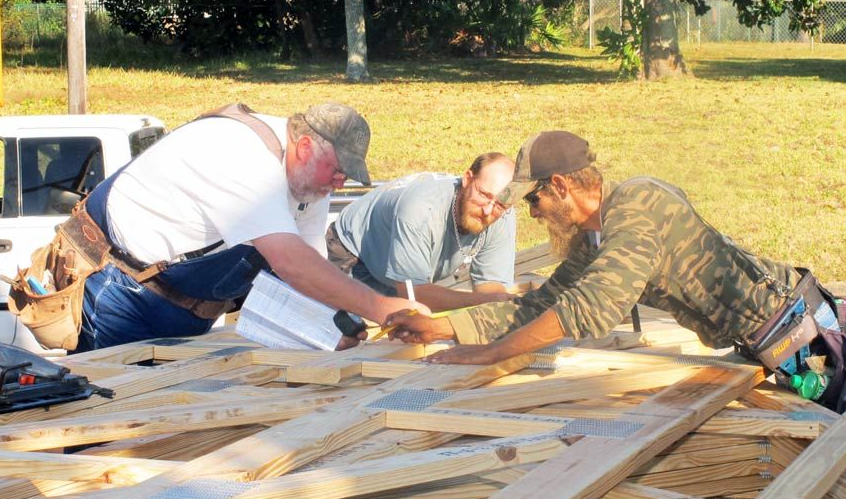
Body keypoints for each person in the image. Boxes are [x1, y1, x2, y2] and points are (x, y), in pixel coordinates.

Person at [385, 130, 846, 411]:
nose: (532, 213)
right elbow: (543, 303)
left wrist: (493, 353)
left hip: (803, 338)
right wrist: (443, 328)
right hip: (771, 341)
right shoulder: (598, 234)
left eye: (534, 199)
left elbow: (592, 309)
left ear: (561, 186)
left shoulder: (636, 209)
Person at [73, 102, 426, 352]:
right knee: (109, 423)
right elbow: (291, 263)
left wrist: (336, 324)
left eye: (346, 175)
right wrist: (382, 308)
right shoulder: (242, 153)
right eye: (336, 170)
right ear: (305, 147)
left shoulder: (307, 186)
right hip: (122, 289)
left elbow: (313, 268)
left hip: (185, 305)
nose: (339, 182)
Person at [325, 153, 517, 312]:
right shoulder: (421, 209)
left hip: (406, 277)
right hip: (355, 253)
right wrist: (477, 303)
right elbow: (414, 294)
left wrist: (494, 303)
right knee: (346, 337)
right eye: (483, 195)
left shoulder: (502, 215)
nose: (487, 211)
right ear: (467, 179)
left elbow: (491, 287)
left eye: (500, 204)